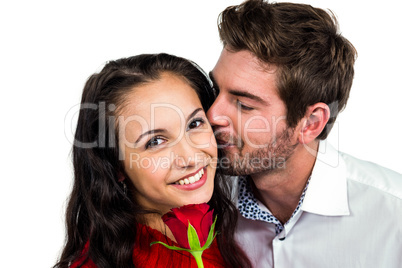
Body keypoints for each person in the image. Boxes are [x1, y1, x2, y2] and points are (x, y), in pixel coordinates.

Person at [206, 0, 402, 267]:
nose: (212, 116)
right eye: (216, 91)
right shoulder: (198, 200)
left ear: (310, 123)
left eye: (245, 105)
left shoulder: (394, 217)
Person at [54, 53, 251, 268]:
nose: (190, 157)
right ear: (115, 165)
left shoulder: (225, 237)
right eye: (155, 141)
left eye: (194, 124)